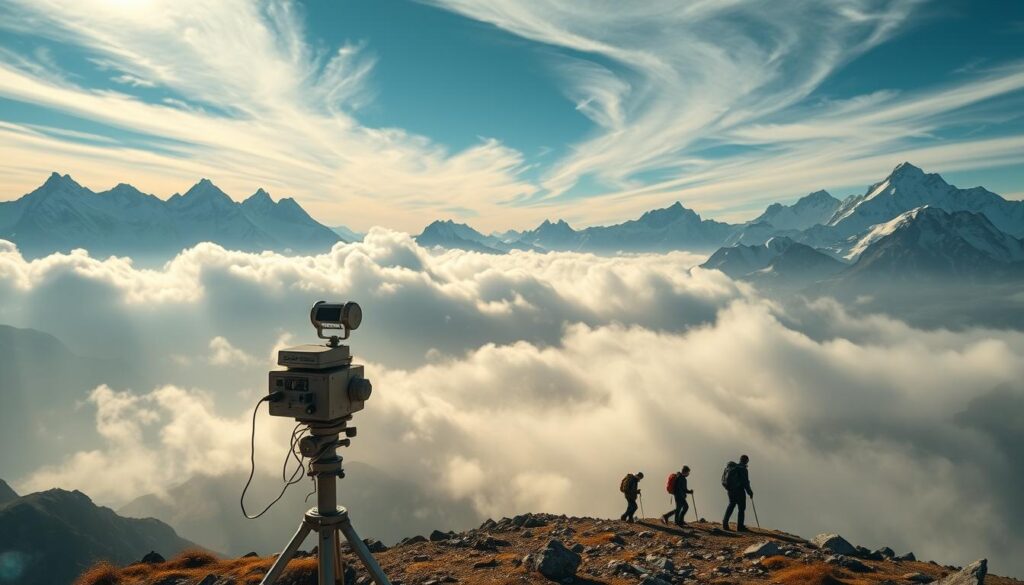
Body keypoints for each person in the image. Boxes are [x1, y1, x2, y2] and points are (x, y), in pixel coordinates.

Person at [722, 454, 753, 532]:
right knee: (741, 508)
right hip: (739, 491)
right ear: (746, 461)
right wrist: (750, 492)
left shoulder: (731, 467)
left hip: (730, 490)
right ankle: (740, 527)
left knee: (731, 505)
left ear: (740, 459)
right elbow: (745, 482)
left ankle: (725, 523)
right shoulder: (743, 469)